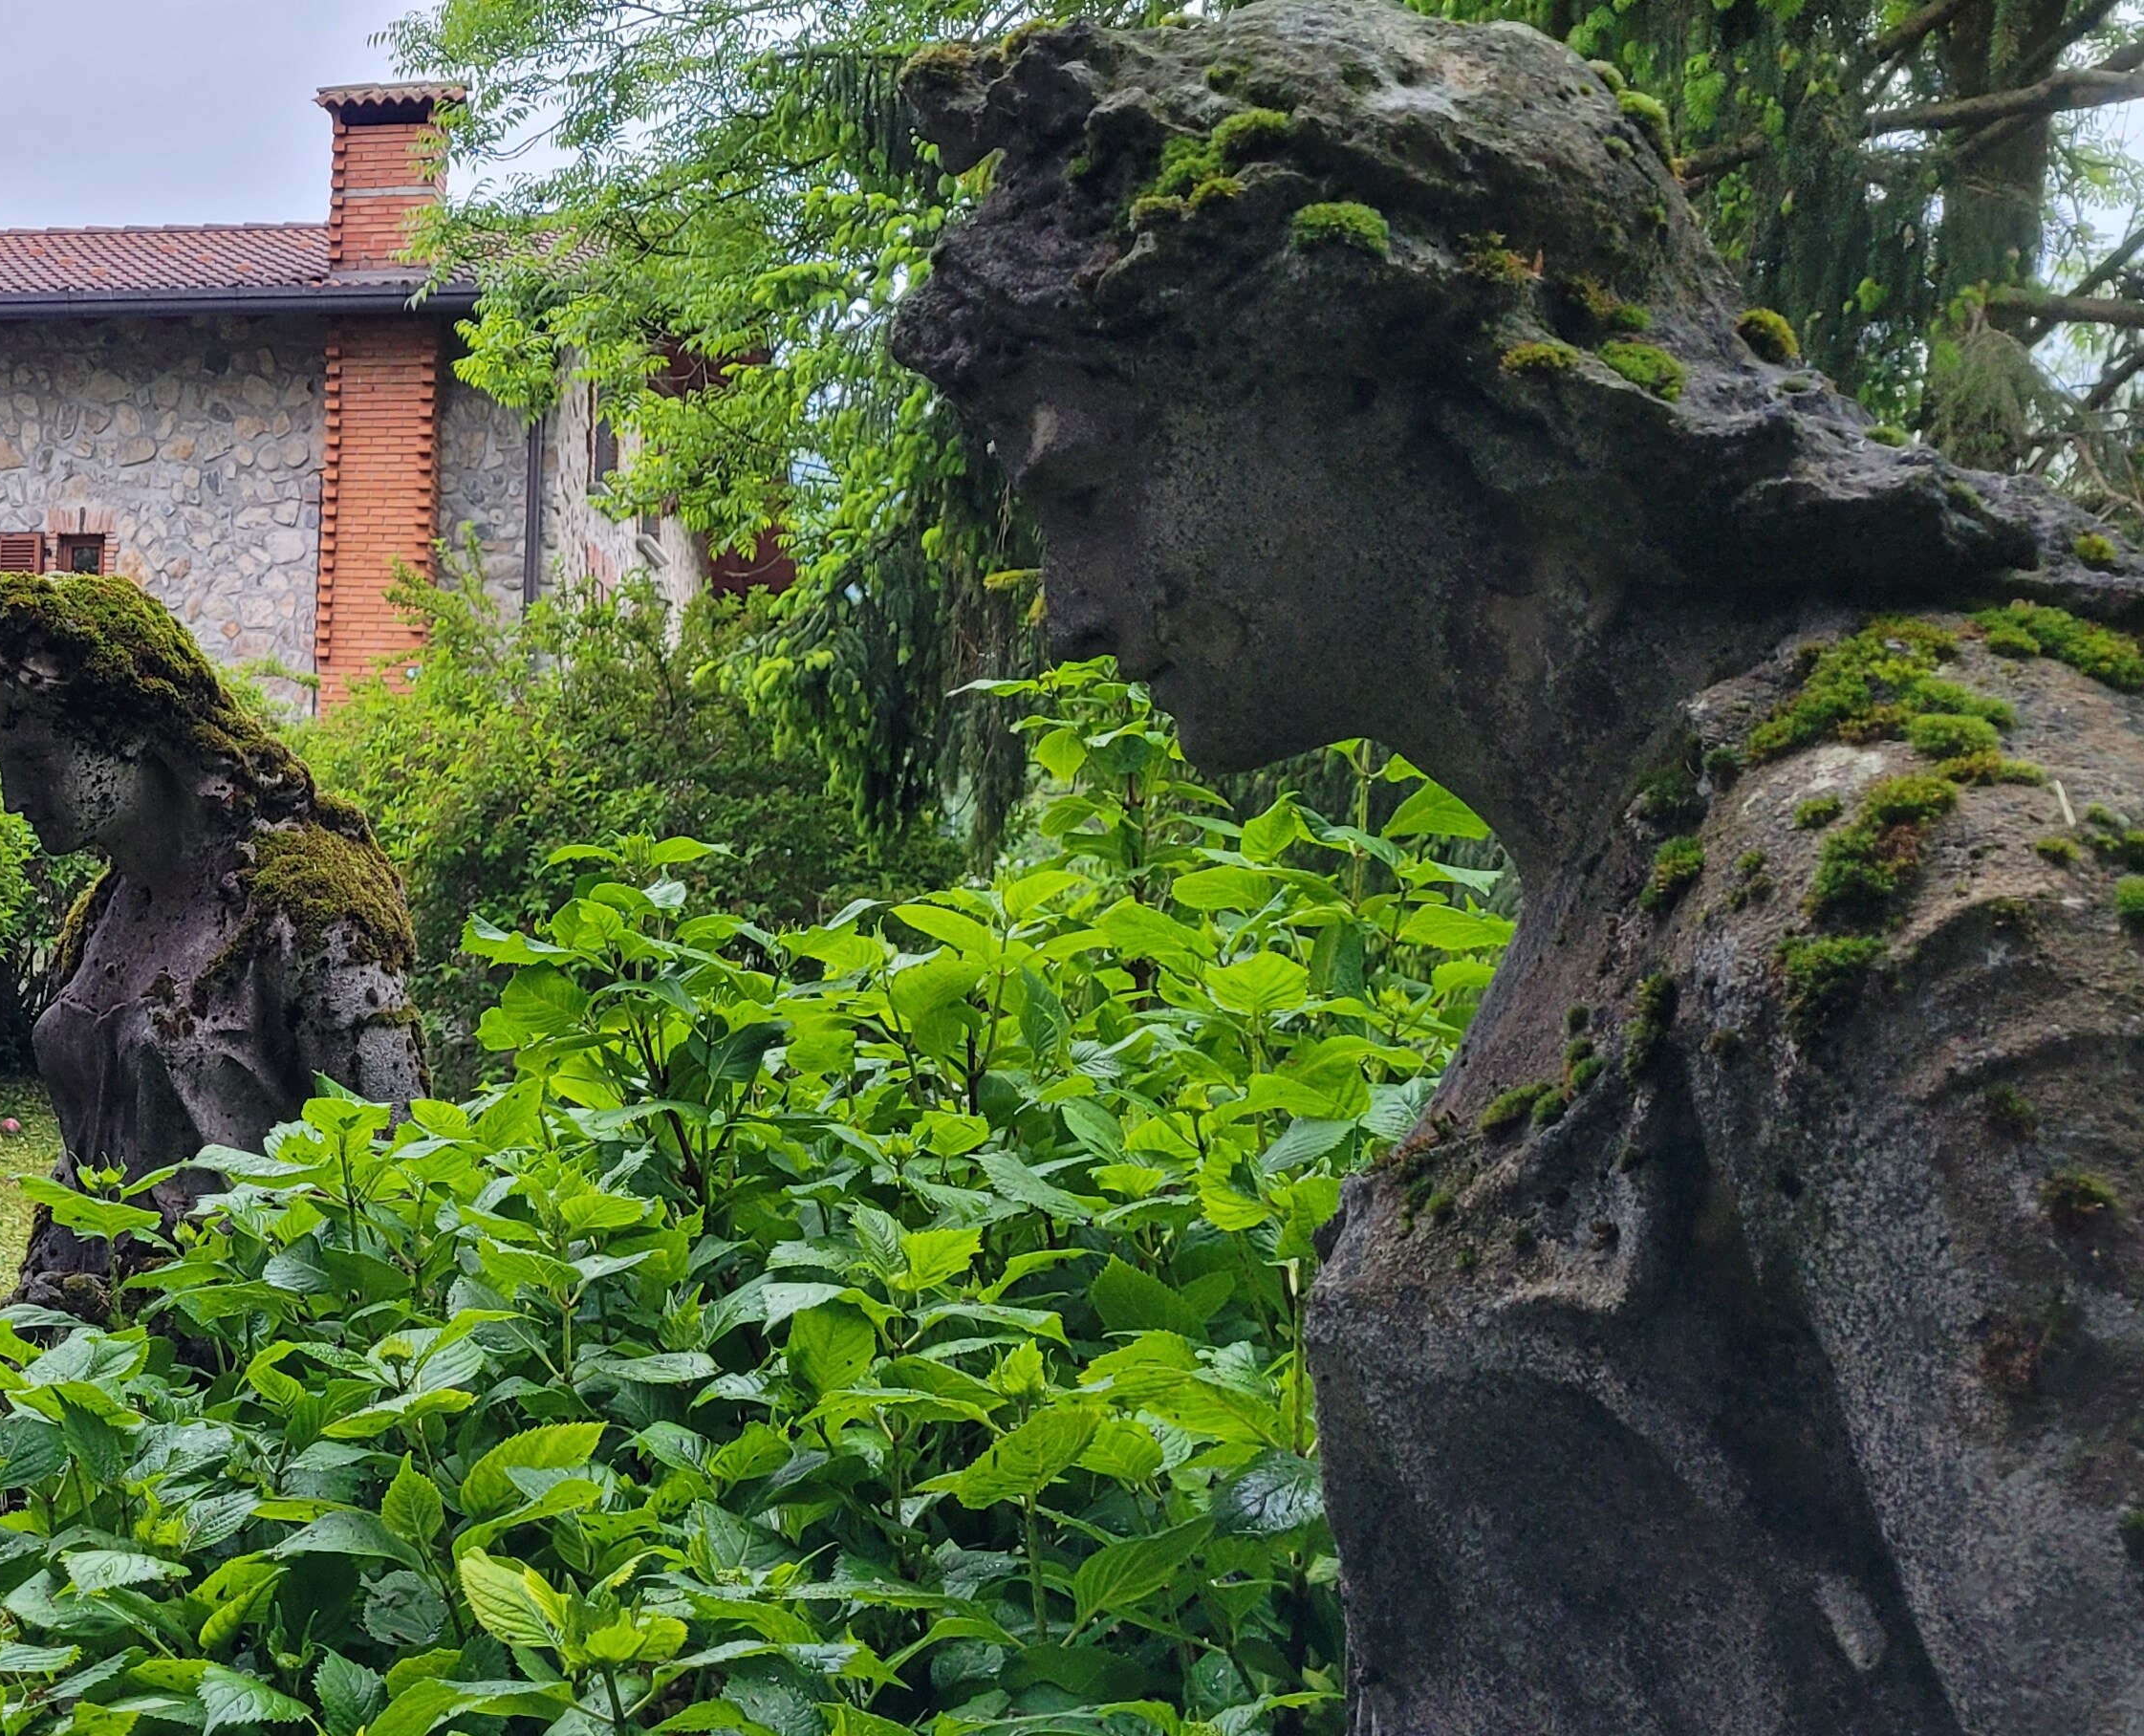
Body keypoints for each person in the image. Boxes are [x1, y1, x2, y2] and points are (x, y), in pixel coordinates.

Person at [897, 5, 2144, 1729]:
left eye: (1091, 484)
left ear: (1350, 371)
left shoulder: (1926, 895)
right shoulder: (1653, 867)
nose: (1066, 612)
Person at [0, 571, 425, 1314]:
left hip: (238, 1368)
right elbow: (90, 1157)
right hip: (80, 1361)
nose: (11, 798)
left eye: (32, 761)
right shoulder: (105, 910)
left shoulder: (306, 907)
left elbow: (403, 1180)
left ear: (129, 729)